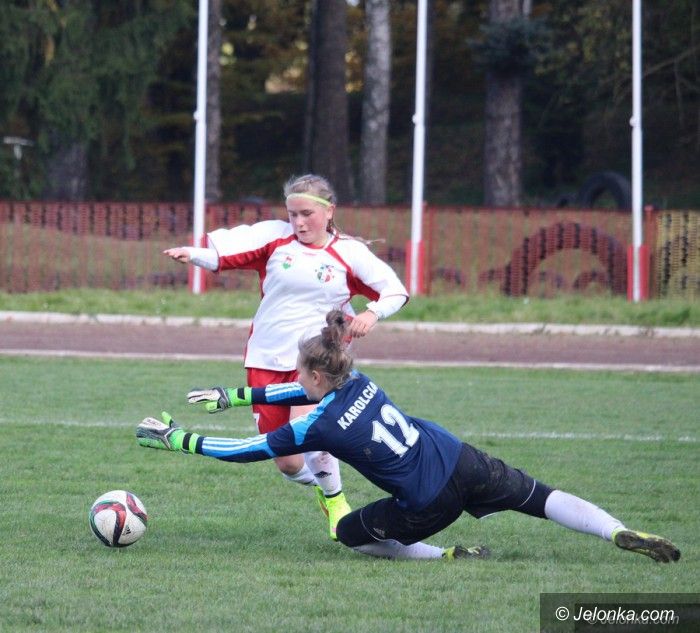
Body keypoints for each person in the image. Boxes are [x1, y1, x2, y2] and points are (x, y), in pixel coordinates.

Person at [137, 310, 681, 563]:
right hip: (459, 456)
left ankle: (443, 555)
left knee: (348, 533)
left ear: (318, 376)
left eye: (300, 372)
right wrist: (235, 396)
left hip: (428, 501)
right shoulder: (360, 379)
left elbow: (244, 451)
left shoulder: (317, 424)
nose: (295, 379)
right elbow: (295, 390)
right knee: (541, 497)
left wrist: (177, 439)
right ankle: (616, 530)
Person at [163, 174, 409, 540]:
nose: (299, 222)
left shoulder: (349, 253)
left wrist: (372, 314)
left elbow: (395, 290)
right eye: (293, 214)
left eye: (307, 214)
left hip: (317, 360)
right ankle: (324, 488)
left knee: (311, 434)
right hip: (265, 357)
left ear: (329, 212)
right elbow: (225, 257)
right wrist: (193, 254)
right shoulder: (275, 239)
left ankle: (336, 501)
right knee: (288, 462)